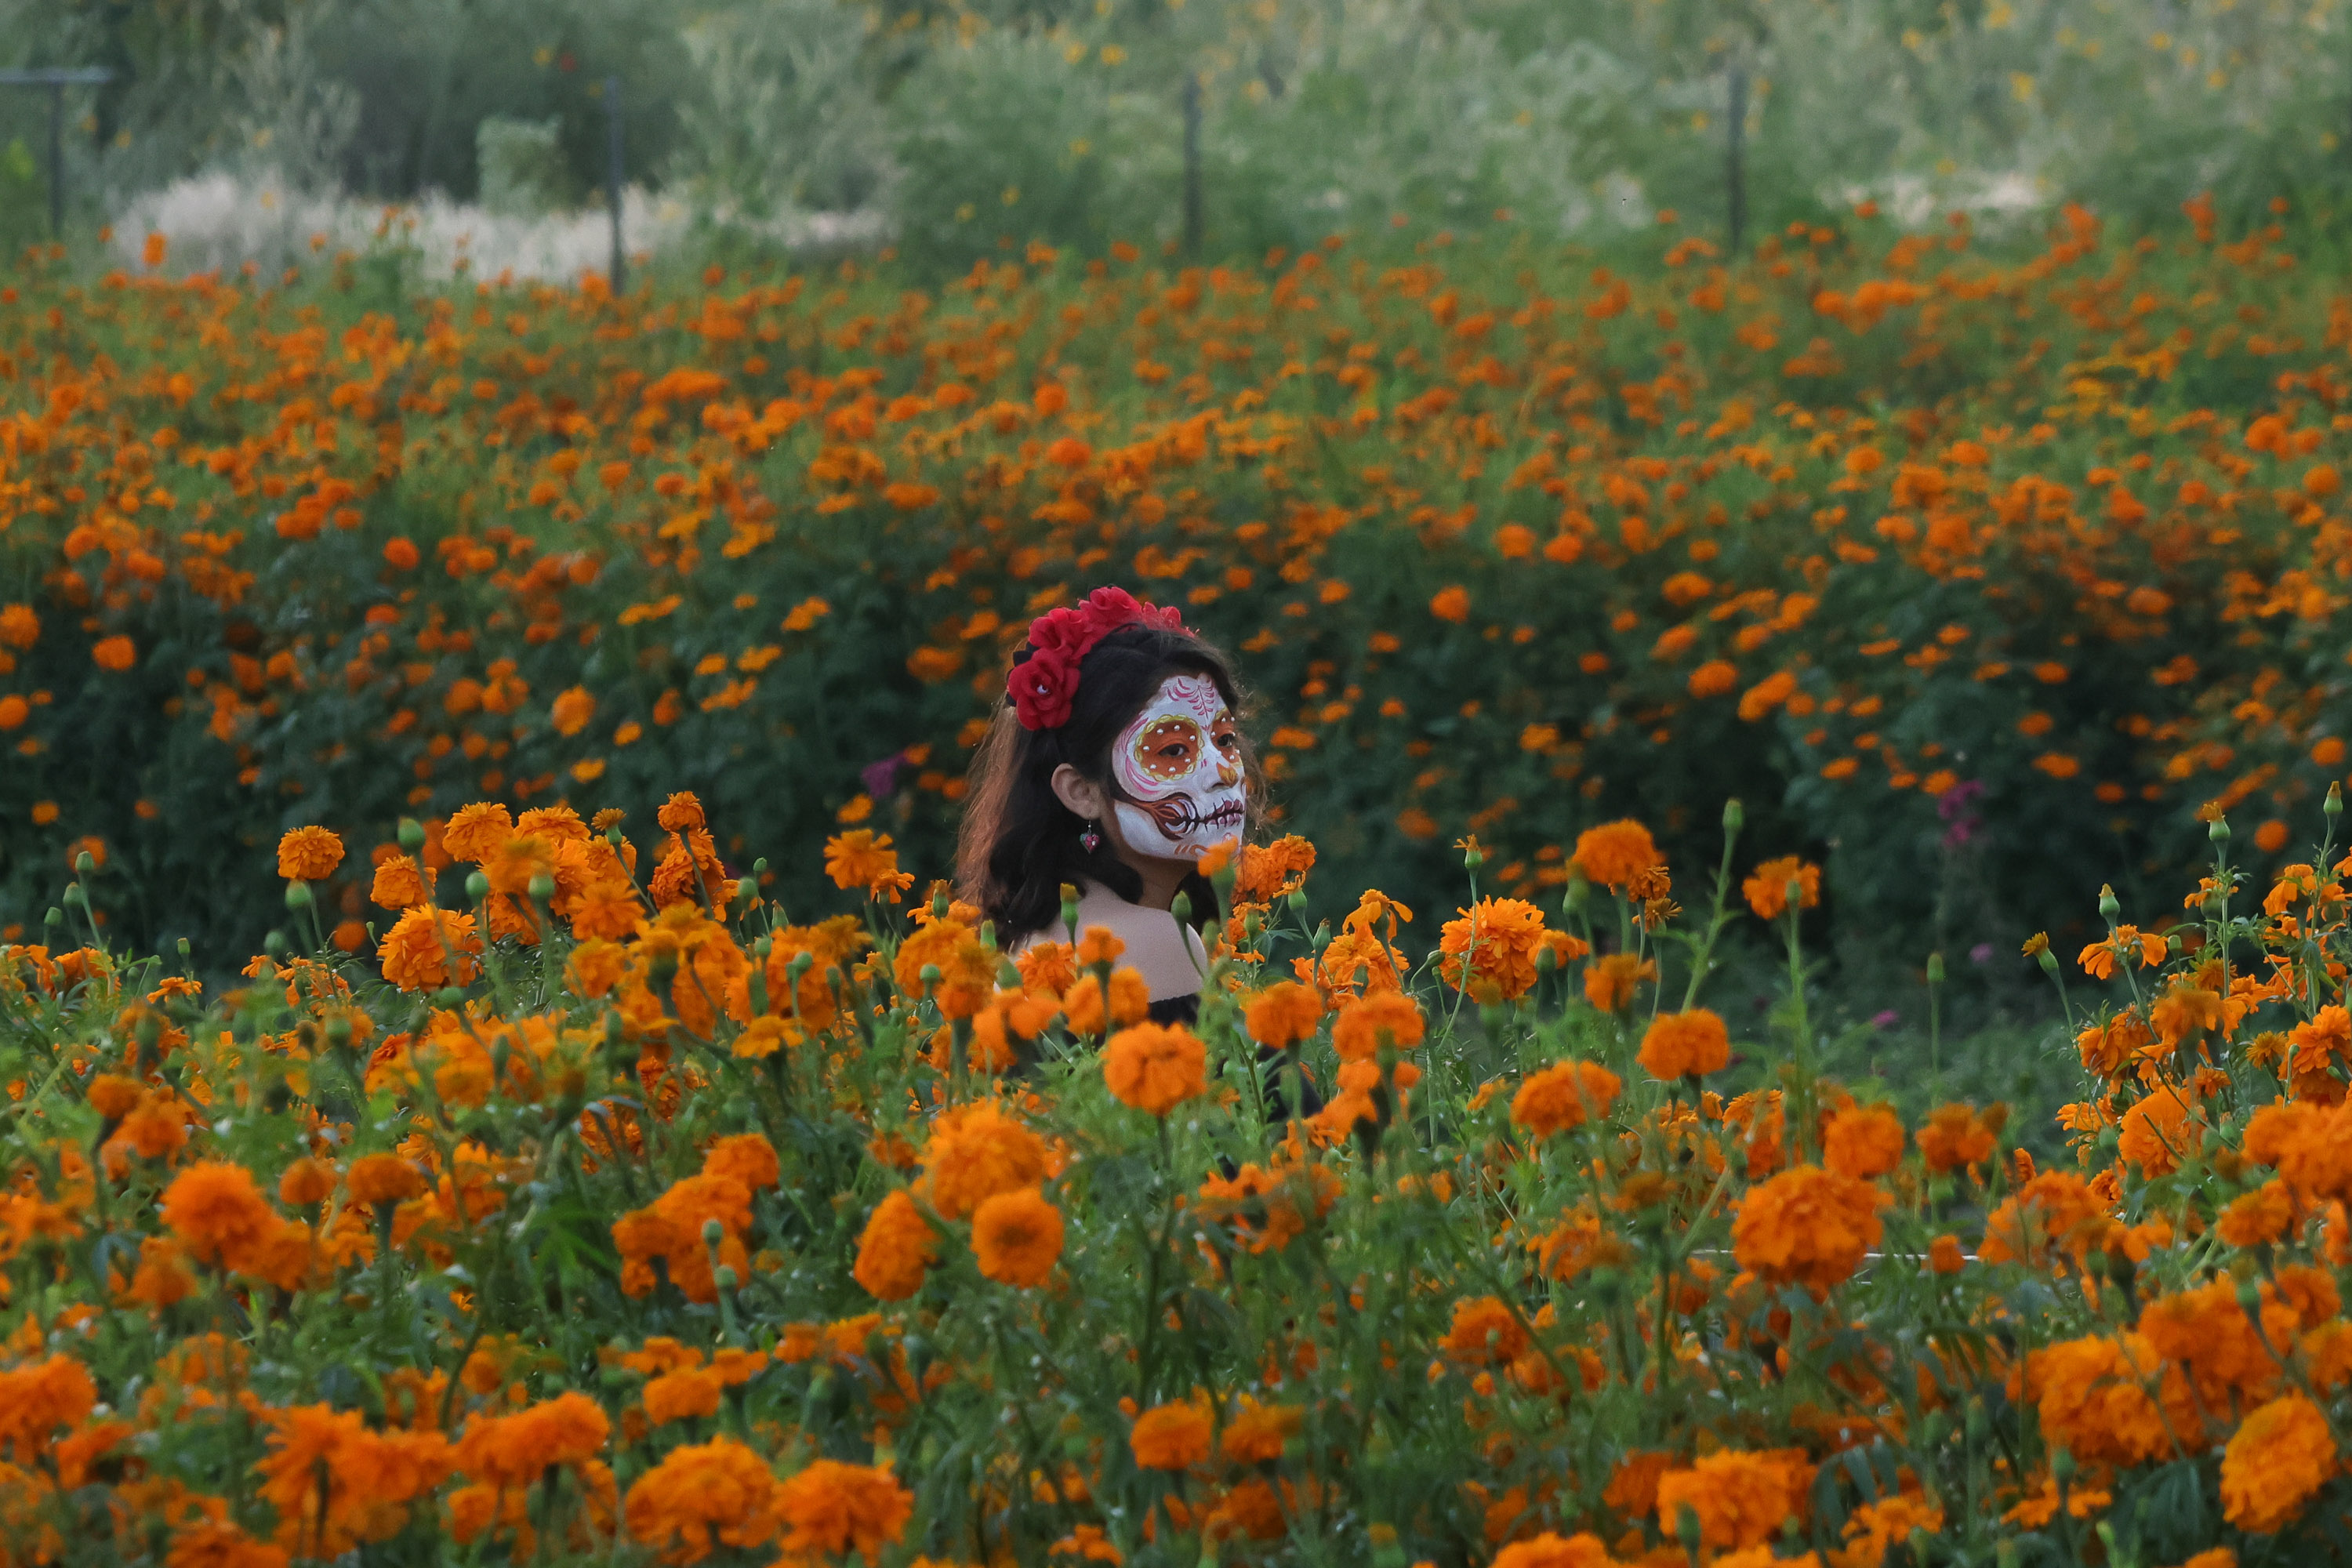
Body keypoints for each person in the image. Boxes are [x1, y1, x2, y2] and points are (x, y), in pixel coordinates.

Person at [955, 586, 1251, 1026]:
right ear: (1081, 792)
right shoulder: (1156, 942)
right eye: (1172, 750)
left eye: (1225, 739)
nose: (1222, 770)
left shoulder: (1035, 941)